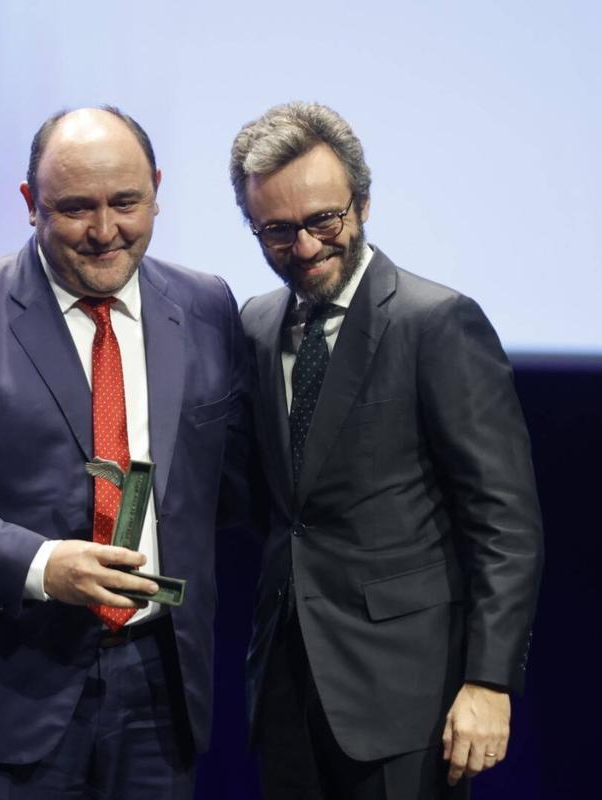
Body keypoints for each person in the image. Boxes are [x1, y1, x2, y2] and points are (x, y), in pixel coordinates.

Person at [0, 106, 251, 798]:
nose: (105, 231)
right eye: (77, 208)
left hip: (157, 690)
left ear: (157, 190)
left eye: (126, 203)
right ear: (30, 204)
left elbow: (229, 484)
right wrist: (45, 566)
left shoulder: (204, 305)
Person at [229, 102, 545, 799]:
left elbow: (505, 522)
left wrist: (489, 681)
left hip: (407, 697)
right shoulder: (254, 325)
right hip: (286, 687)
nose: (305, 247)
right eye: (277, 231)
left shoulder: (435, 323)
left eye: (323, 221)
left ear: (363, 204)